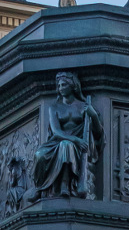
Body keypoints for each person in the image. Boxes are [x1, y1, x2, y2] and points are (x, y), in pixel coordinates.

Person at [32, 71, 102, 200]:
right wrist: (76, 140)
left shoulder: (84, 106)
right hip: (58, 141)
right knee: (39, 155)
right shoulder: (54, 107)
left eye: (64, 85)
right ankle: (40, 187)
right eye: (59, 86)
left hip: (78, 146)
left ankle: (65, 185)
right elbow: (56, 131)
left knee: (66, 145)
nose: (60, 88)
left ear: (73, 86)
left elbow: (98, 133)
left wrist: (93, 115)